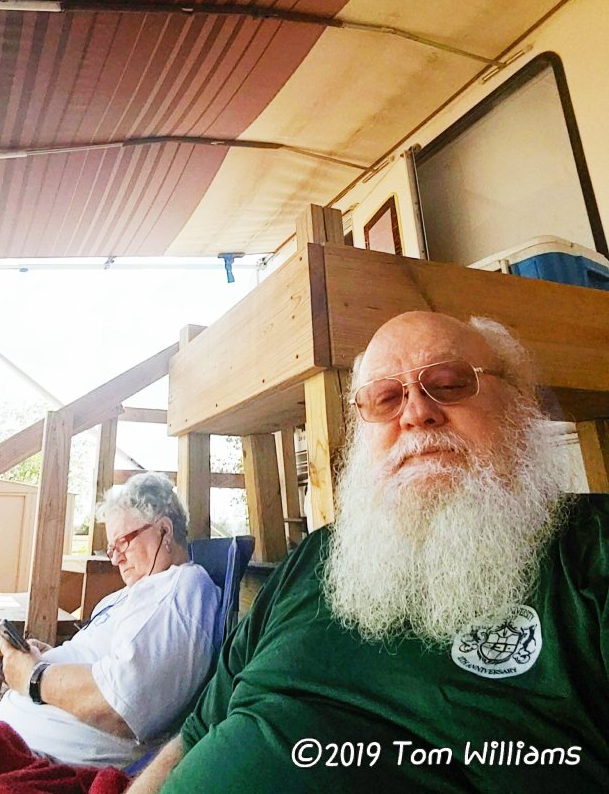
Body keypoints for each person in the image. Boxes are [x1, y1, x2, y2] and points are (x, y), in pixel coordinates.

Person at [127, 311, 609, 794]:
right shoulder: (315, 557)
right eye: (385, 398)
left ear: (518, 405)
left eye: (449, 384)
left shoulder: (594, 552)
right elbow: (193, 738)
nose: (415, 413)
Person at [0, 472, 220, 793]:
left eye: (122, 542)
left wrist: (33, 677)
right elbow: (109, 662)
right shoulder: (134, 594)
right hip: (10, 731)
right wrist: (49, 657)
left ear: (164, 531)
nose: (115, 558)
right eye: (111, 547)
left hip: (40, 759)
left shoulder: (179, 591)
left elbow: (121, 704)